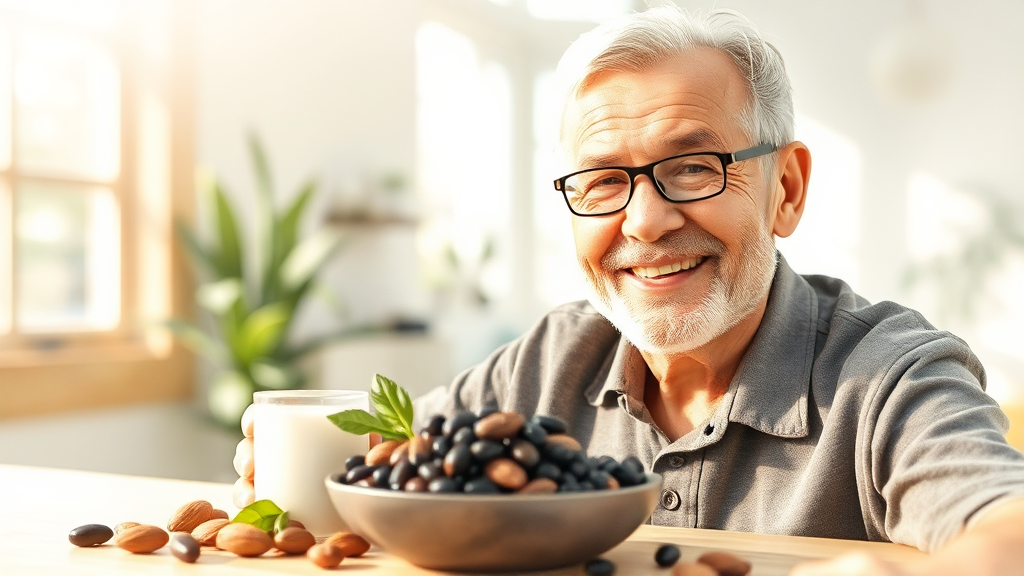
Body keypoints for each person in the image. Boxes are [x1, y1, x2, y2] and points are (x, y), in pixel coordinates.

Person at [233, 6, 1024, 574]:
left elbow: (1009, 529)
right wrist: (297, 464)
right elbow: (397, 465)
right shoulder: (545, 364)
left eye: (693, 167)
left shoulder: (887, 376)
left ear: (784, 189)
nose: (644, 222)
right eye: (605, 180)